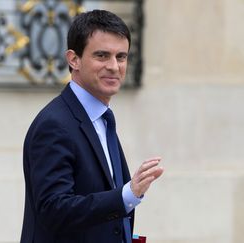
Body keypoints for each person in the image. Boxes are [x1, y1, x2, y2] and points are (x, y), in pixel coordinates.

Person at [20, 9, 164, 243]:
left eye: (121, 57)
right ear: (73, 59)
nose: (114, 66)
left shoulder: (101, 118)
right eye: (102, 55)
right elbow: (53, 209)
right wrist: (126, 195)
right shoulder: (54, 124)